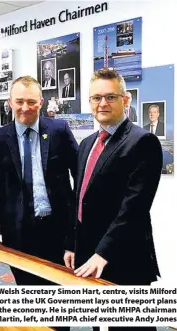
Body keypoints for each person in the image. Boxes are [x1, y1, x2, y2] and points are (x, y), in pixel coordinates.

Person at [64, 68, 162, 331]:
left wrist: (101, 253)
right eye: (96, 98)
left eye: (110, 97)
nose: (102, 103)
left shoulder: (143, 141)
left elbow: (135, 207)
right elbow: (80, 199)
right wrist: (73, 245)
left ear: (125, 100)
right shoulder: (87, 144)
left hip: (124, 257)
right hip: (90, 255)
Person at [0, 75, 78, 288]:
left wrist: (76, 237)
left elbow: (80, 180)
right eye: (19, 101)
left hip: (58, 232)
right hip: (18, 235)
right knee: (27, 299)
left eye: (31, 102)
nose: (25, 107)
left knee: (58, 304)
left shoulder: (59, 131)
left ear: (41, 103)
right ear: (10, 103)